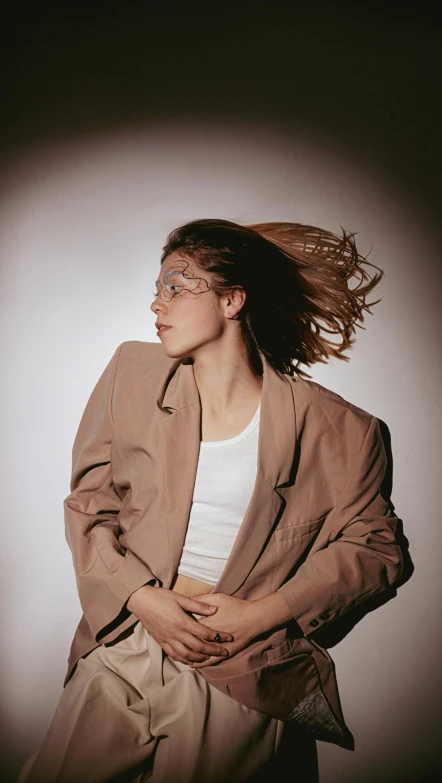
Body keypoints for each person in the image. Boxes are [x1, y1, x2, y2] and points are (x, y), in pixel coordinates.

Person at [18, 219, 403, 783]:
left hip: (239, 668)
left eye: (176, 285)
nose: (156, 302)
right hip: (130, 638)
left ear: (232, 299)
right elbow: (89, 504)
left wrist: (260, 616)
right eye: (157, 287)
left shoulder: (341, 428)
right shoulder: (133, 371)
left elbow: (376, 550)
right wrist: (141, 599)